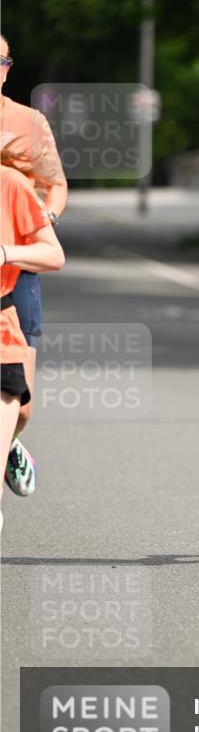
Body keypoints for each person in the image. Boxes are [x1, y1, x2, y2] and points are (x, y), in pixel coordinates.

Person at [0, 33, 68, 496]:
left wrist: (45, 219)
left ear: (7, 68)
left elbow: (55, 183)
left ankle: (11, 440)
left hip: (17, 255)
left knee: (21, 401)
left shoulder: (28, 122)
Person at [1, 164, 65, 532]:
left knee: (22, 413)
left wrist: (6, 252)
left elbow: (53, 255)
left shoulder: (9, 184)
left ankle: (10, 443)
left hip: (1, 331)